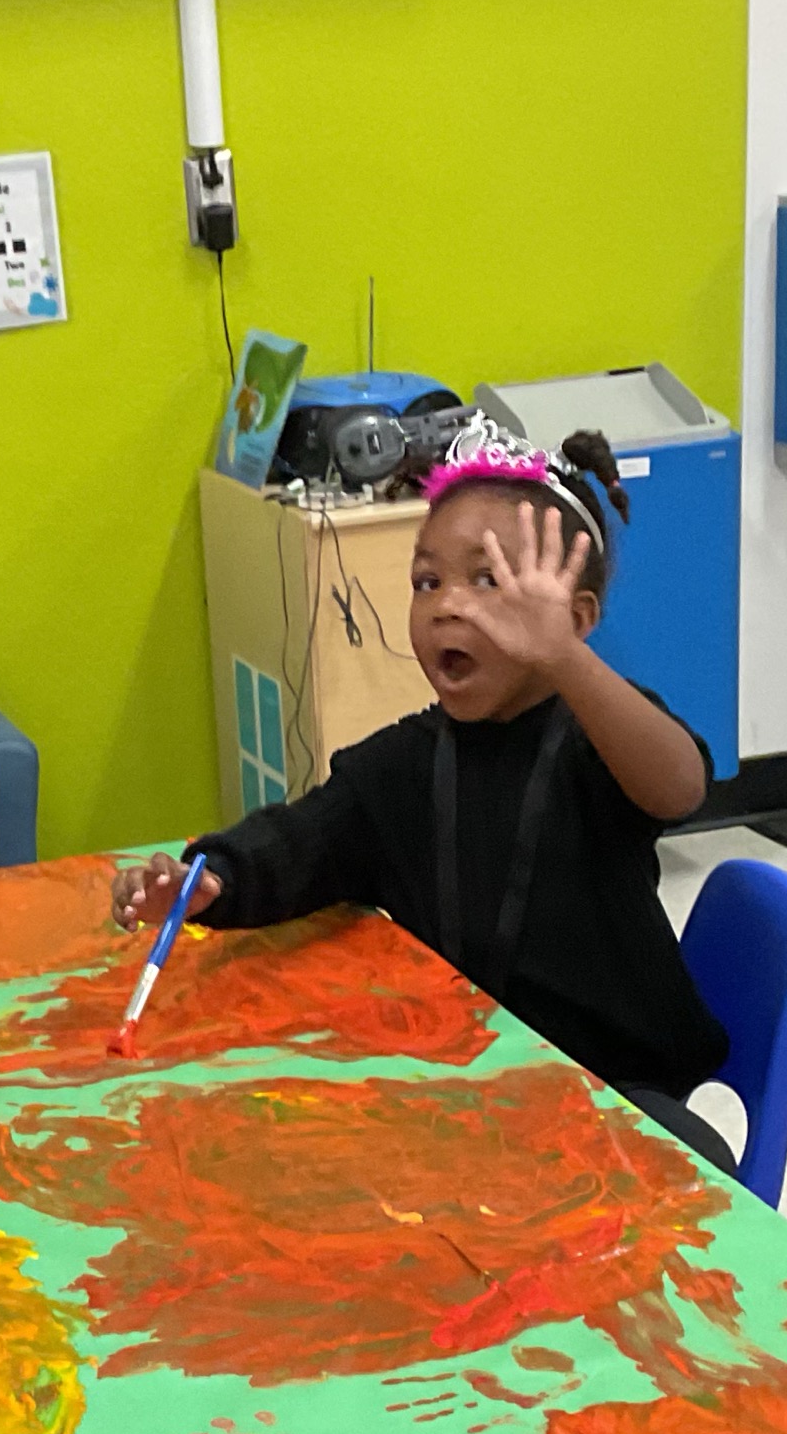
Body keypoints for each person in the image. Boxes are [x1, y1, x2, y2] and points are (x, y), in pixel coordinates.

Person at [112, 420, 732, 1168]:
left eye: (488, 580)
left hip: (605, 1090)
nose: (445, 605)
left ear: (577, 618)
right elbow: (303, 841)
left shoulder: (592, 743)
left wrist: (566, 660)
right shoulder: (404, 764)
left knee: (691, 1157)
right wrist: (213, 878)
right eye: (426, 581)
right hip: (457, 1089)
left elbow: (678, 786)